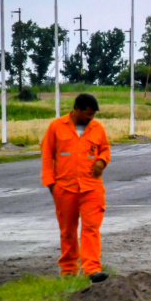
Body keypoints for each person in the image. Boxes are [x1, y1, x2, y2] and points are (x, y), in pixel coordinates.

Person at [41, 93, 110, 282]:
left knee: (91, 228)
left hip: (91, 187)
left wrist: (102, 161)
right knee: (68, 230)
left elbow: (104, 149)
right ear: (77, 109)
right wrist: (51, 184)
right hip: (64, 188)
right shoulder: (56, 127)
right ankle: (69, 270)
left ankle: (92, 269)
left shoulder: (98, 128)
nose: (91, 119)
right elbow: (47, 155)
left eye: (93, 115)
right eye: (88, 114)